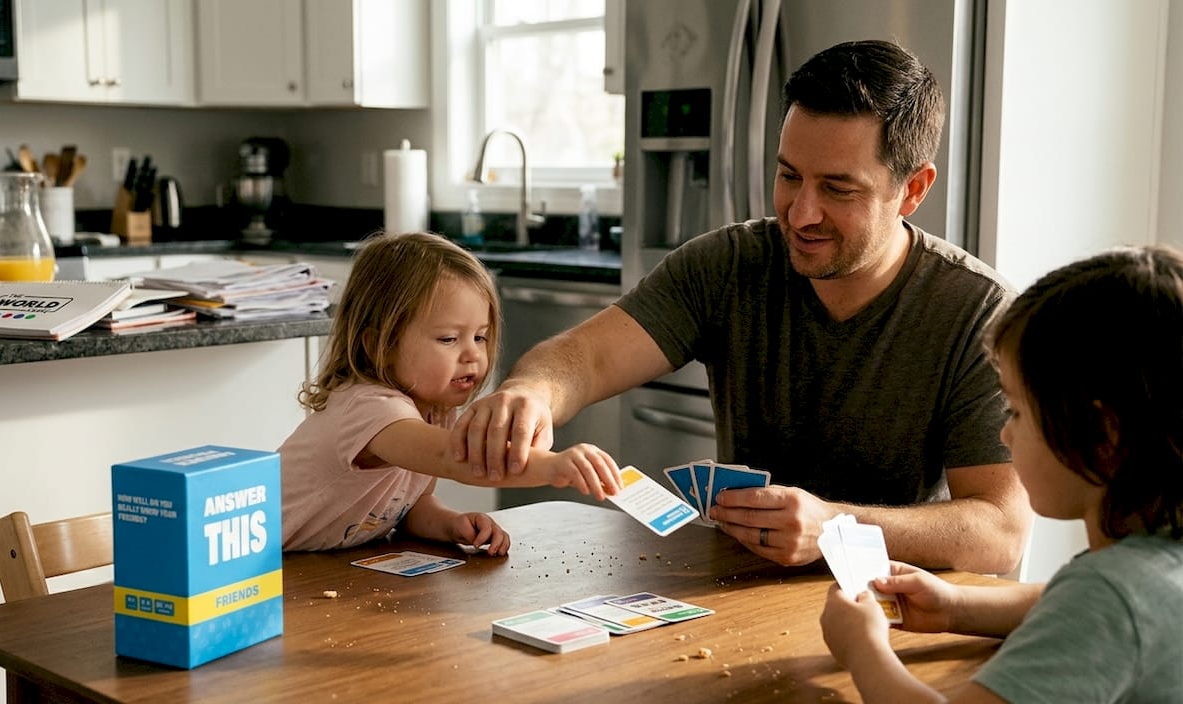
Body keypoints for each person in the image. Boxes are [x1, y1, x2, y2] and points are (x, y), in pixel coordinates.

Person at [450, 39, 1030, 573]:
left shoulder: (979, 313)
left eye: (838, 189)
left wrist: (835, 525)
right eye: (788, 176)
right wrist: (531, 393)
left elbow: (1001, 533)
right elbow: (587, 358)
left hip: (894, 613)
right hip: (735, 592)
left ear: (913, 190)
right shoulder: (727, 264)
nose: (801, 213)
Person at [820, 245, 1183, 704]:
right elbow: (1061, 605)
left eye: (1016, 411)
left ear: (1103, 434)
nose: (1004, 434)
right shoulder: (1152, 561)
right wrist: (953, 606)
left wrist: (862, 649)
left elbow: (1092, 610)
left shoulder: (1109, 596)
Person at [279, 231, 620, 554]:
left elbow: (407, 509)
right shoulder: (370, 410)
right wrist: (554, 466)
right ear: (380, 347)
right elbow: (454, 459)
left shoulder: (436, 411)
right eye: (448, 339)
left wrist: (451, 524)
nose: (472, 354)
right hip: (251, 561)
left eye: (480, 337)